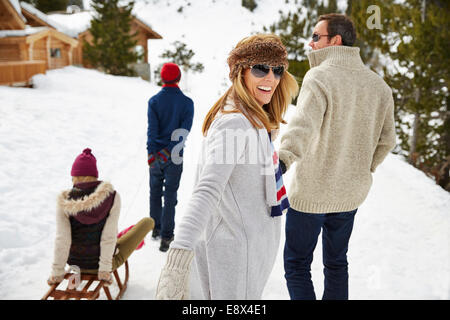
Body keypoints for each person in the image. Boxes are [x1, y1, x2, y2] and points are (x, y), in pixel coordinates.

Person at [155, 34, 299, 300]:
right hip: (234, 256)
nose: (271, 78)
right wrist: (178, 257)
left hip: (249, 250)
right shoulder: (236, 124)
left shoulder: (253, 117)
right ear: (240, 72)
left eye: (277, 70)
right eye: (260, 68)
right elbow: (207, 189)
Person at [278, 14, 397, 300]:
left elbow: (302, 127)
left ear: (336, 40)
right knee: (336, 263)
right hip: (350, 193)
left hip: (311, 193)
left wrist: (282, 159)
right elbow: (388, 140)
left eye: (316, 37)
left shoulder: (319, 76)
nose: (311, 43)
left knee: (296, 265)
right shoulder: (378, 85)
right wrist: (364, 168)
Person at [47, 148, 154, 286]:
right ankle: (126, 237)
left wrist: (57, 273)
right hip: (101, 265)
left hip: (75, 264)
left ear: (77, 176)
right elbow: (108, 236)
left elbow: (63, 239)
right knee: (148, 222)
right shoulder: (112, 197)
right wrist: (104, 271)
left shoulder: (65, 201)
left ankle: (119, 239)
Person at [147, 63, 194, 252]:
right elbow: (183, 132)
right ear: (179, 78)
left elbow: (152, 131)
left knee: (155, 193)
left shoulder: (154, 102)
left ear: (162, 78)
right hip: (175, 156)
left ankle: (155, 229)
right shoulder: (187, 103)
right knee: (170, 195)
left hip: (155, 156)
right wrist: (169, 152)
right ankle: (167, 237)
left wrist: (152, 155)